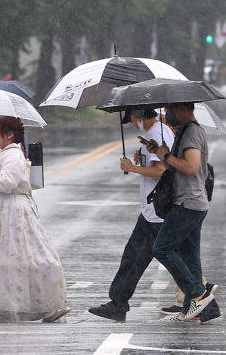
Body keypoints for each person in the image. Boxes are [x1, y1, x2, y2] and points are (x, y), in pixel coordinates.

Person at [0, 115, 69, 322]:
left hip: (11, 215)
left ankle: (47, 305)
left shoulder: (14, 155)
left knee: (24, 257)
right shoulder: (4, 154)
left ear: (8, 135)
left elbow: (7, 184)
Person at [87, 108, 175, 321]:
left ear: (138, 115)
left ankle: (201, 293)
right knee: (137, 257)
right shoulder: (158, 132)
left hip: (157, 210)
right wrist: (141, 158)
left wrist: (132, 168)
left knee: (162, 259)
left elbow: (162, 170)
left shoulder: (155, 132)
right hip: (152, 210)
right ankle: (118, 302)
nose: (133, 123)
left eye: (132, 119)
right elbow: (157, 164)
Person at [146, 102, 220, 323]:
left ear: (184, 109)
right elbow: (177, 167)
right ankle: (200, 310)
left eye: (171, 109)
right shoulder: (185, 132)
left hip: (188, 203)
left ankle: (199, 295)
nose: (167, 113)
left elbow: (192, 167)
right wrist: (161, 153)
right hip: (192, 202)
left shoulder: (192, 132)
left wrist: (167, 157)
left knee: (162, 249)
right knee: (190, 258)